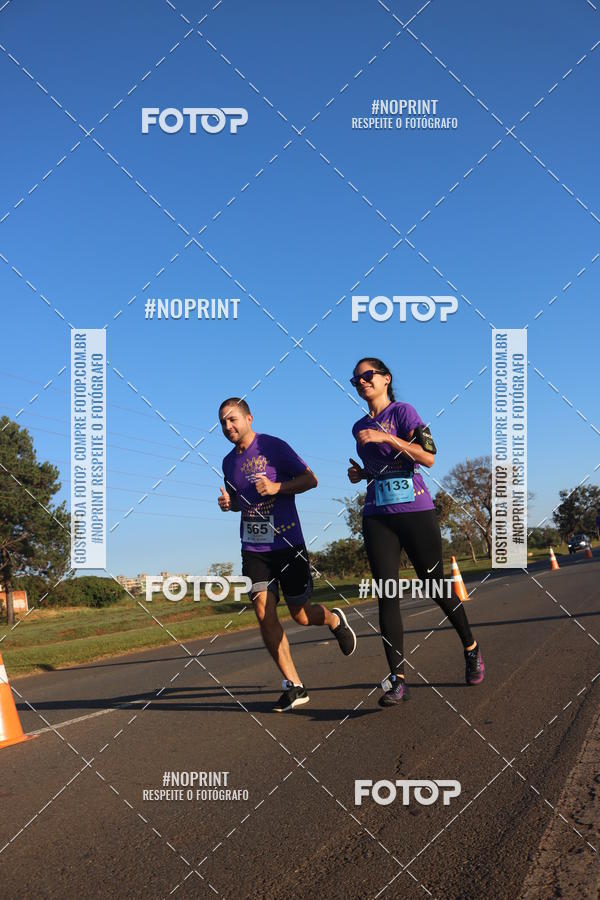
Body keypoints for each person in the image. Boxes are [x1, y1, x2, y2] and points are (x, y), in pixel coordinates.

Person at [347, 358, 484, 707]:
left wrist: (384, 436)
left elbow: (429, 457)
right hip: (377, 513)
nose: (362, 382)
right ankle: (398, 681)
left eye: (368, 376)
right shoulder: (357, 426)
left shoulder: (403, 412)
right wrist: (362, 474)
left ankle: (471, 648)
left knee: (436, 584)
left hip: (415, 509)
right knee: (387, 594)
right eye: (356, 379)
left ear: (385, 379)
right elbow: (381, 467)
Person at [218, 397, 357, 712]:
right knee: (263, 612)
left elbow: (311, 479)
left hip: (288, 542)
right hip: (254, 549)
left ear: (249, 418)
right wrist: (230, 505)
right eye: (223, 423)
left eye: (233, 419)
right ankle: (295, 685)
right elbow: (242, 501)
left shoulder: (274, 447)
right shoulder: (228, 463)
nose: (228, 427)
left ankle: (334, 620)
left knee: (301, 615)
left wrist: (278, 487)